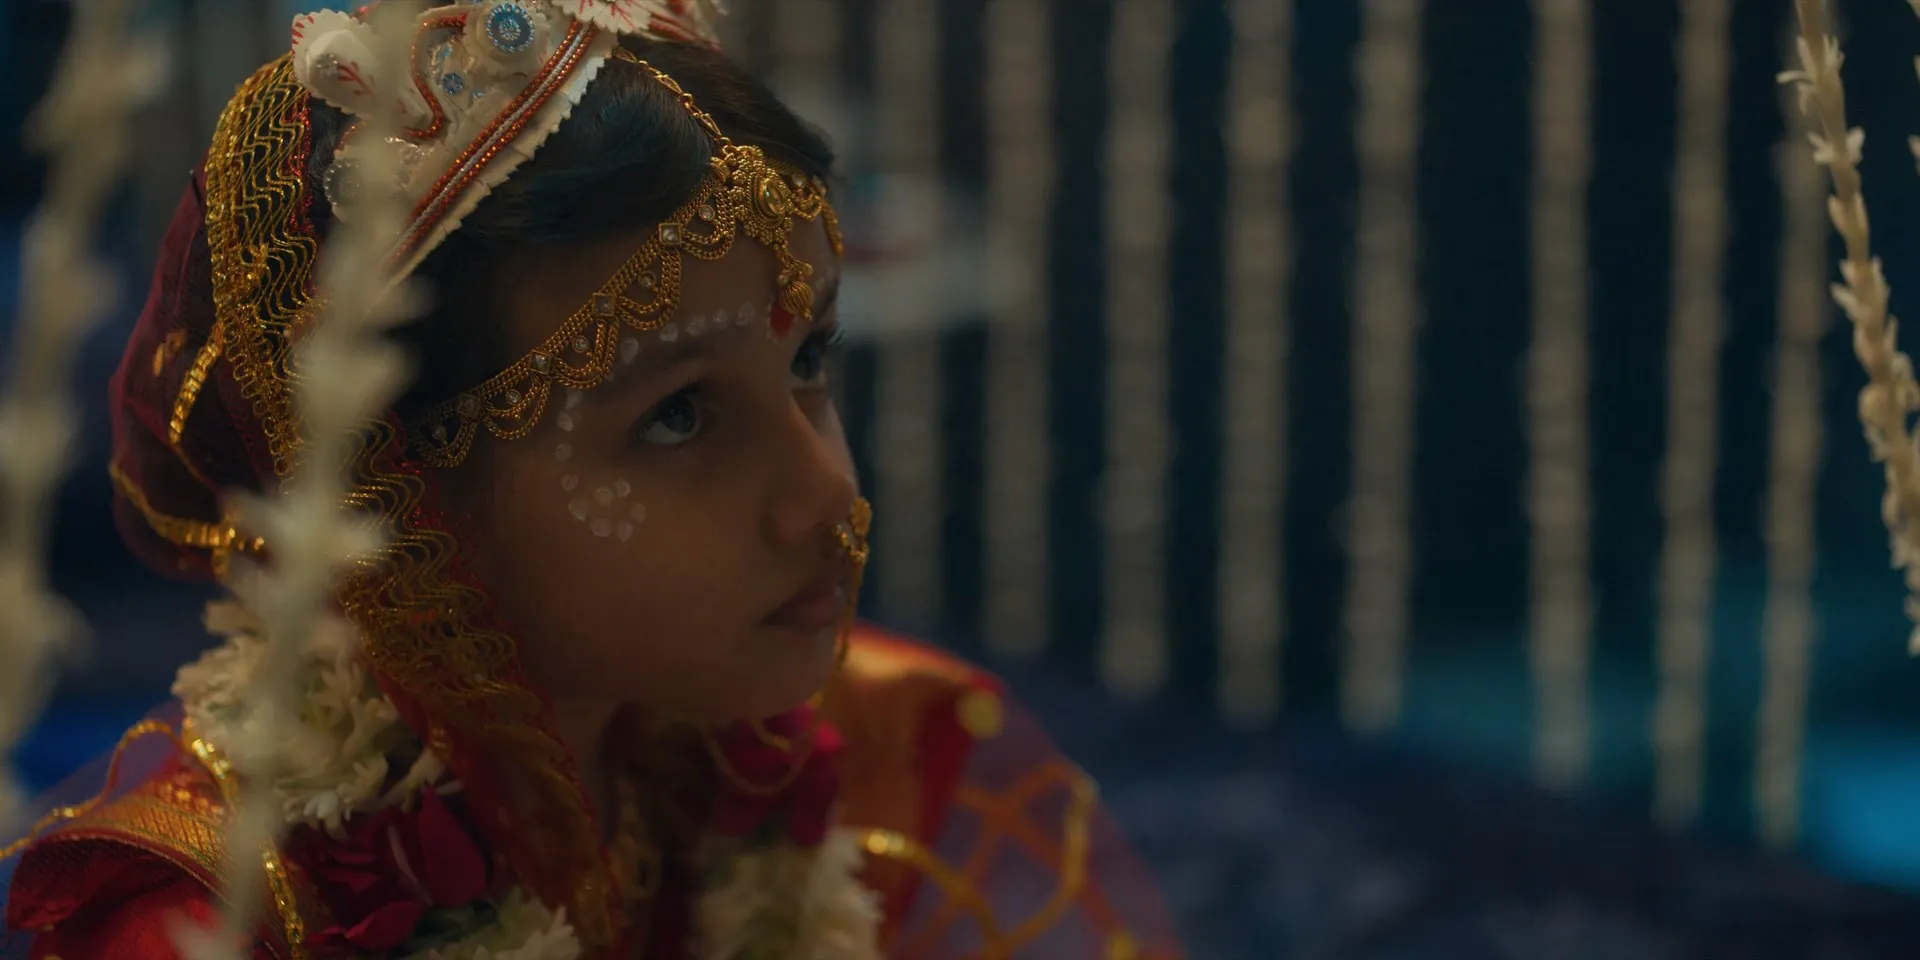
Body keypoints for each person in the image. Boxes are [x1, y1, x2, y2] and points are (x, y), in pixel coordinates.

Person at [0, 1, 1181, 958]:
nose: (825, 496)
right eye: (678, 416)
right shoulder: (220, 922)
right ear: (407, 497)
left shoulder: (832, 754)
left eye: (810, 359)